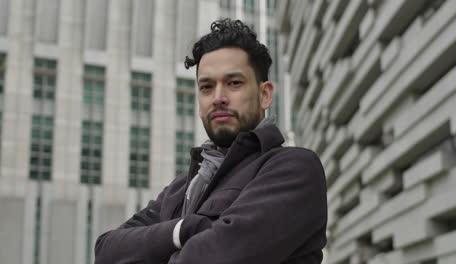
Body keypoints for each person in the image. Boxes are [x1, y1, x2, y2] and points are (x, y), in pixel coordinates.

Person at [95, 18, 327, 264]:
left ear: (265, 94)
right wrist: (184, 230)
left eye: (233, 83)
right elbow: (106, 251)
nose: (218, 98)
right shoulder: (181, 188)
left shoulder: (294, 168)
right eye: (206, 87)